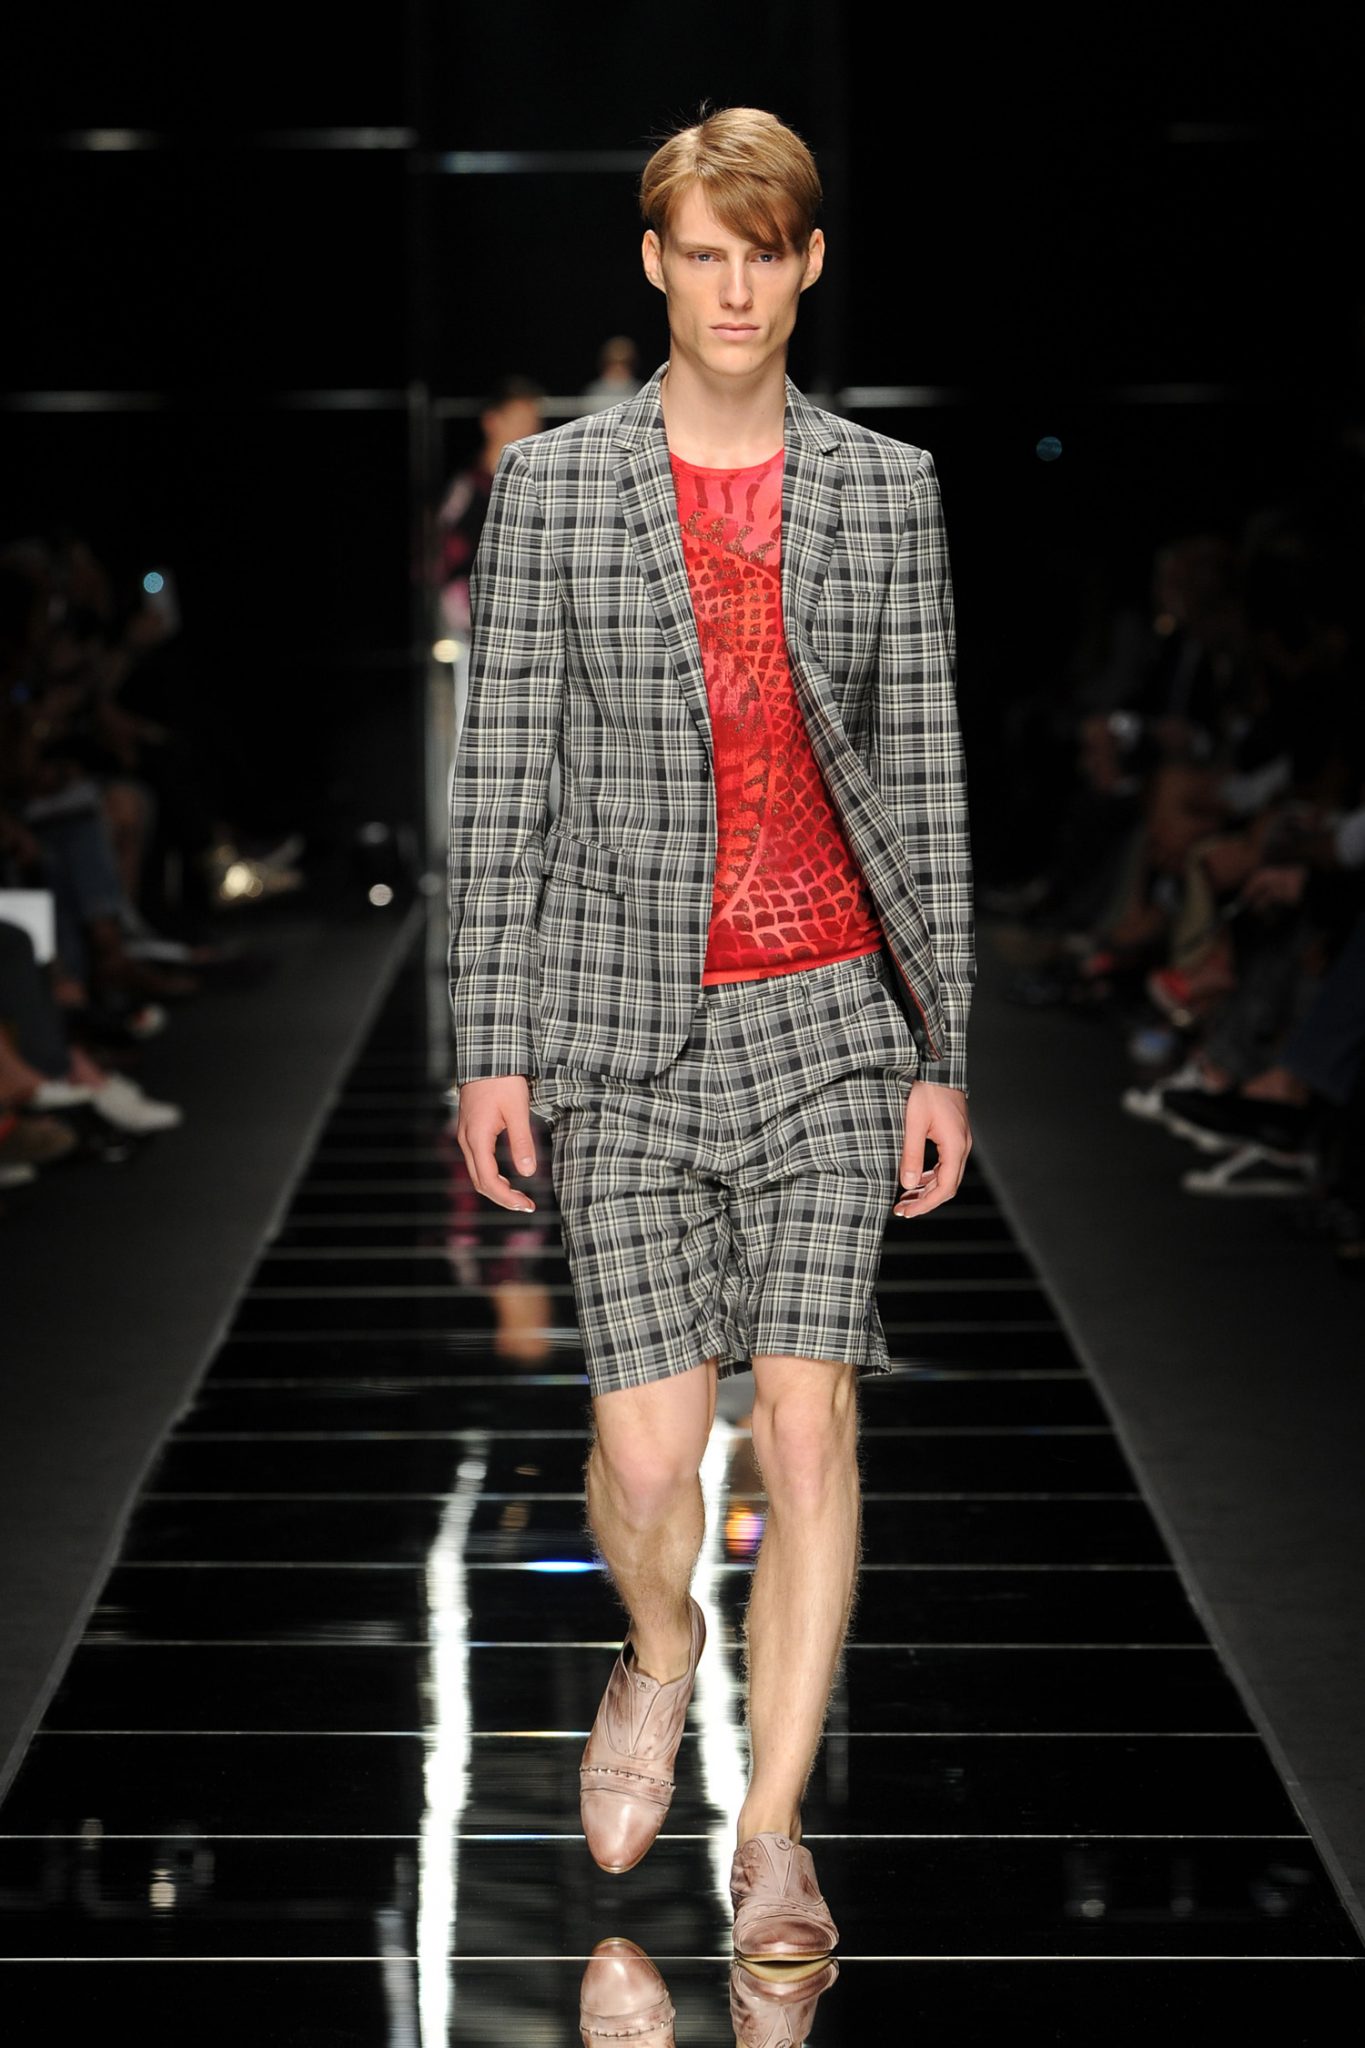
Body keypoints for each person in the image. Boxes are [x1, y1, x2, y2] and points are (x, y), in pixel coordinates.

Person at [448, 104, 975, 2035]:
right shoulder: (552, 490)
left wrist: (941, 1046)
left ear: (806, 263)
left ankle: (770, 1836)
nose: (735, 286)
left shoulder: (885, 491)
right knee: (651, 1458)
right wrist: (488, 1046)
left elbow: (921, 771)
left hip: (828, 1012)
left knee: (811, 1427)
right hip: (617, 1013)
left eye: (766, 251)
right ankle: (659, 1649)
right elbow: (497, 780)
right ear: (657, 263)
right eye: (703, 251)